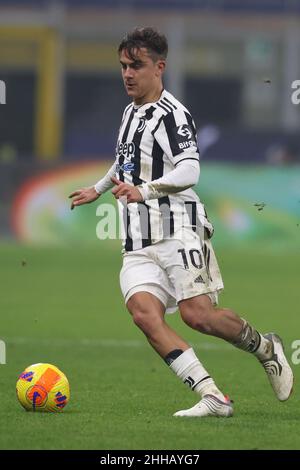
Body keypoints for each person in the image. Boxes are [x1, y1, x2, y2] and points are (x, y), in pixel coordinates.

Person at [69, 27, 293, 418]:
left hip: (179, 229)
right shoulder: (130, 111)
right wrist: (99, 188)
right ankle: (213, 397)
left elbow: (191, 170)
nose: (127, 74)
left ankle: (266, 347)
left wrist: (146, 191)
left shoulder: (173, 115)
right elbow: (126, 159)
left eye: (135, 65)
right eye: (123, 66)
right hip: (138, 237)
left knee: (197, 317)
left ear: (160, 67)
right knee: (143, 313)